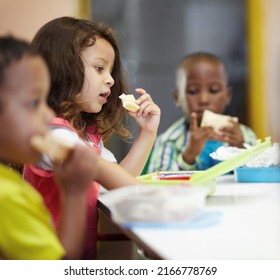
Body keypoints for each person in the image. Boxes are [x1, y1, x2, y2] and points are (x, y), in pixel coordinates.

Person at [23, 17, 160, 259]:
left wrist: (147, 133)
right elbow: (102, 171)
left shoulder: (85, 135)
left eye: (110, 71)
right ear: (61, 67)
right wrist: (164, 202)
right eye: (99, 68)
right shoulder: (54, 135)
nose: (111, 80)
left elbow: (117, 180)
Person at [0, 35, 139, 260]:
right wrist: (74, 193)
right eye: (34, 103)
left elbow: (120, 177)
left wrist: (148, 132)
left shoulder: (9, 184)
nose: (46, 114)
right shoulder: (6, 198)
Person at [147, 52, 257, 173]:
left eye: (213, 90)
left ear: (228, 96)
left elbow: (261, 176)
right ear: (177, 98)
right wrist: (188, 156)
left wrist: (240, 148)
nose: (203, 100)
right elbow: (157, 185)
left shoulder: (245, 135)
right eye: (193, 91)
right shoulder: (169, 141)